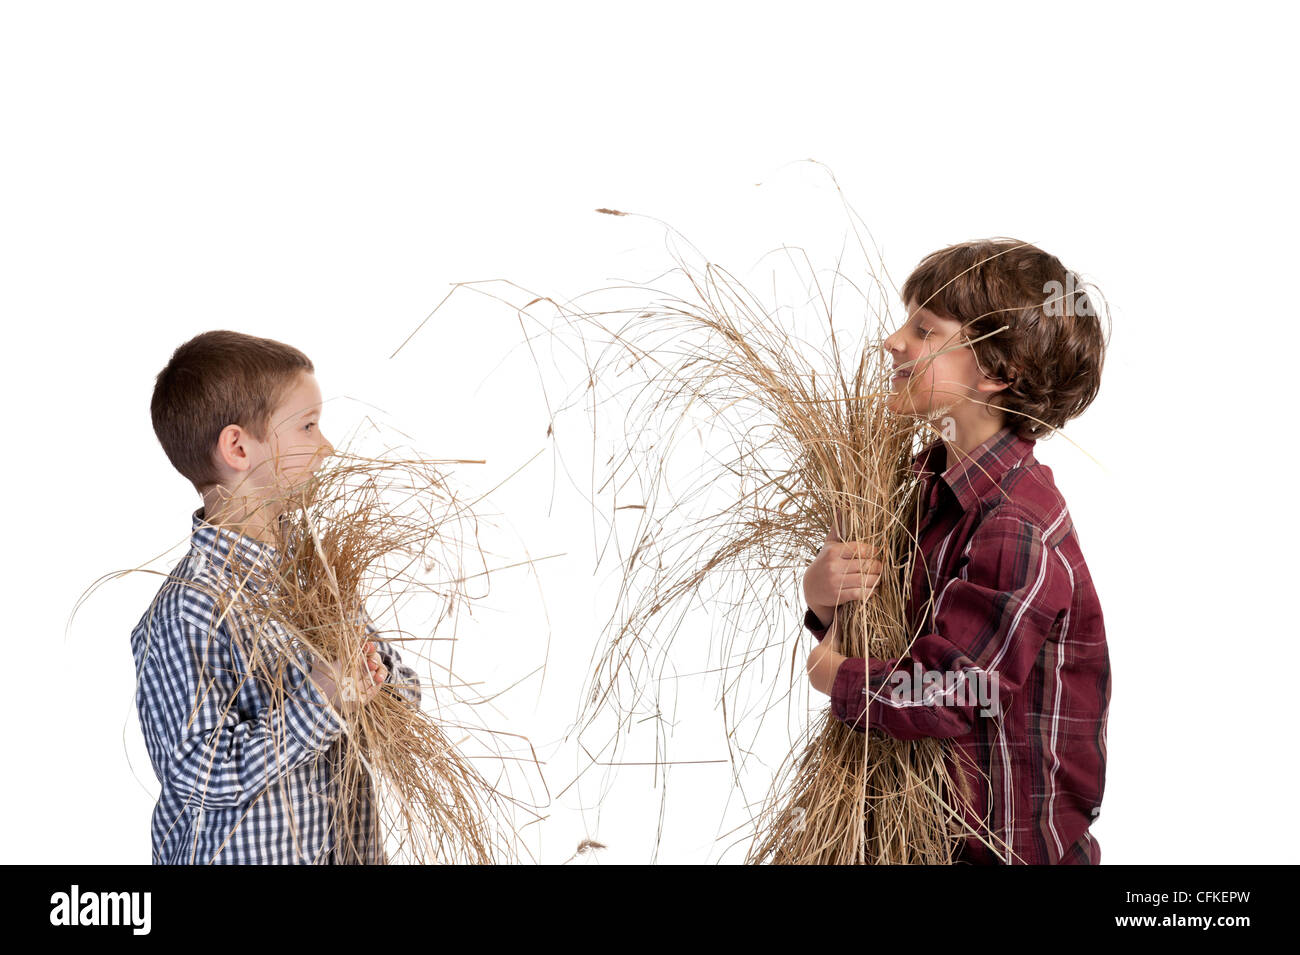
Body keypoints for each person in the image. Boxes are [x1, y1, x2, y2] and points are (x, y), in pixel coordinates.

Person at [803, 239, 1110, 864]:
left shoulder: (1015, 524)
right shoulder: (921, 489)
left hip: (998, 849)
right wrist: (823, 599)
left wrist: (834, 675)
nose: (893, 341)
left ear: (995, 371)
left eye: (924, 328)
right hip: (919, 838)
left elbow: (953, 689)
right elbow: (899, 632)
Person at [131, 329, 420, 864]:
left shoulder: (320, 577)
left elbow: (401, 698)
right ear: (238, 448)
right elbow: (202, 773)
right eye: (308, 426)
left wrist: (378, 678)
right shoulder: (189, 609)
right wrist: (325, 698)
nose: (327, 446)